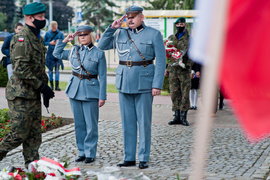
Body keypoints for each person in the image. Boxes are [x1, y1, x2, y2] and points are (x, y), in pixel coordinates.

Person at [98, 5, 166, 169]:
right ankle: (129, 157)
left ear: (141, 17)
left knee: (144, 123)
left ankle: (143, 157)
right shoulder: (120, 33)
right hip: (124, 83)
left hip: (144, 83)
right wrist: (111, 29)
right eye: (127, 17)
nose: (129, 20)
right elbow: (101, 46)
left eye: (133, 17)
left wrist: (157, 85)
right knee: (127, 123)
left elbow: (161, 61)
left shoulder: (153, 34)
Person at [0, 2, 55, 168]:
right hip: (20, 94)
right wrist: (41, 86)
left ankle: (33, 168)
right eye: (40, 17)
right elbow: (21, 69)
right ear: (30, 18)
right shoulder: (22, 38)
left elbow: (38, 67)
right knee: (18, 133)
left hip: (32, 93)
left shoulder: (37, 37)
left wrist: (44, 89)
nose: (43, 19)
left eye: (43, 16)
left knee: (34, 134)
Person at [53, 25, 107, 164]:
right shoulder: (73, 50)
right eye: (80, 35)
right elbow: (56, 54)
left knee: (91, 125)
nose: (82, 37)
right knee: (79, 124)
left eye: (85, 35)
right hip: (74, 90)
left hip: (91, 91)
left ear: (91, 36)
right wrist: (65, 40)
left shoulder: (98, 53)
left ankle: (90, 152)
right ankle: (82, 151)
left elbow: (103, 76)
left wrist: (102, 96)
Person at [166, 17, 193, 126]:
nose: (180, 26)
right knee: (174, 93)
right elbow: (167, 54)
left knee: (185, 93)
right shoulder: (171, 38)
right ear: (175, 25)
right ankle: (176, 116)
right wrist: (166, 68)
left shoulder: (190, 39)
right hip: (173, 70)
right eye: (178, 24)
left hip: (184, 70)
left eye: (182, 24)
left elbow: (192, 54)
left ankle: (183, 117)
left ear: (185, 25)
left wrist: (189, 66)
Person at [44, 21, 65, 91]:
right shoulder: (47, 33)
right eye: (53, 28)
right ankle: (51, 86)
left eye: (55, 28)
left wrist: (58, 43)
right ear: (51, 27)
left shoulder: (60, 33)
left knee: (57, 70)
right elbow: (44, 42)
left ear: (57, 26)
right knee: (50, 70)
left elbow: (64, 42)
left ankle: (57, 86)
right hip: (50, 53)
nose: (54, 30)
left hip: (58, 53)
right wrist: (50, 43)